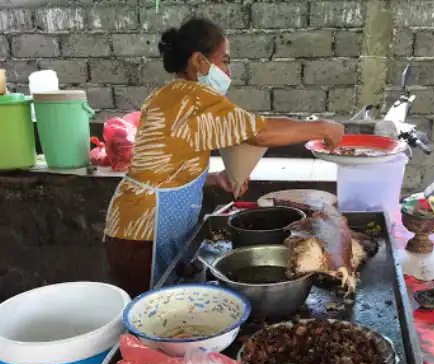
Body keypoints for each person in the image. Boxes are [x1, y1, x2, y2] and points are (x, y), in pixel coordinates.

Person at [104, 17, 344, 298]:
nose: (228, 72)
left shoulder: (167, 95)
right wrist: (322, 127)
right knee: (147, 312)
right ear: (198, 60)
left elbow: (163, 166)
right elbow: (260, 133)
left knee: (158, 305)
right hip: (142, 232)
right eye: (224, 61)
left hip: (135, 224)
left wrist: (214, 180)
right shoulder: (194, 96)